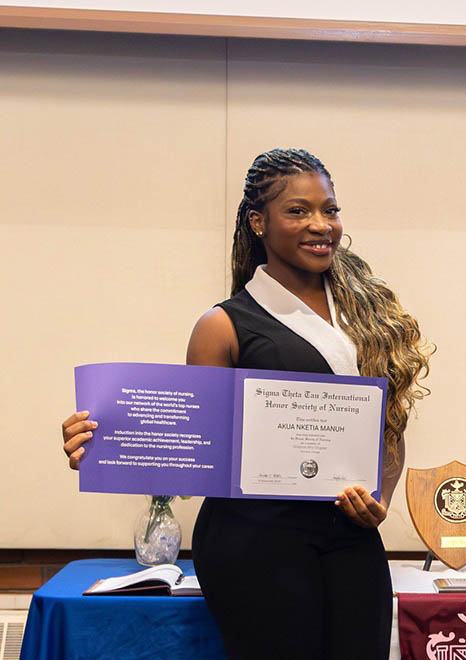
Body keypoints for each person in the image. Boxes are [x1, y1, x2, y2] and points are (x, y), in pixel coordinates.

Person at [61, 148, 431, 659]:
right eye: (298, 211)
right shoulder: (224, 325)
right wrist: (102, 444)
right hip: (254, 544)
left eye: (330, 208)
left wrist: (382, 501)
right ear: (258, 222)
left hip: (351, 537)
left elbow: (390, 424)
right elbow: (193, 448)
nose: (320, 224)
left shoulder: (366, 314)